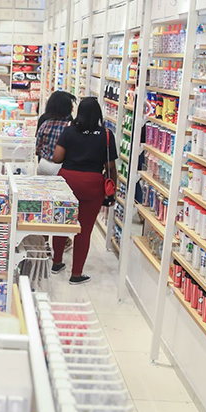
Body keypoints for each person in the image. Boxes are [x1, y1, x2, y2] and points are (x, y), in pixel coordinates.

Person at [51, 97, 118, 285]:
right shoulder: (106, 135)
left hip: (67, 181)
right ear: (98, 114)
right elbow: (110, 166)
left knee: (62, 223)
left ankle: (57, 262)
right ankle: (76, 273)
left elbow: (57, 158)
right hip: (92, 183)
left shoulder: (69, 131)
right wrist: (113, 190)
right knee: (84, 229)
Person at [35, 91, 75, 170]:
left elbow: (37, 148)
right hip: (62, 166)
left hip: (44, 164)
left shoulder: (44, 122)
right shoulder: (70, 126)